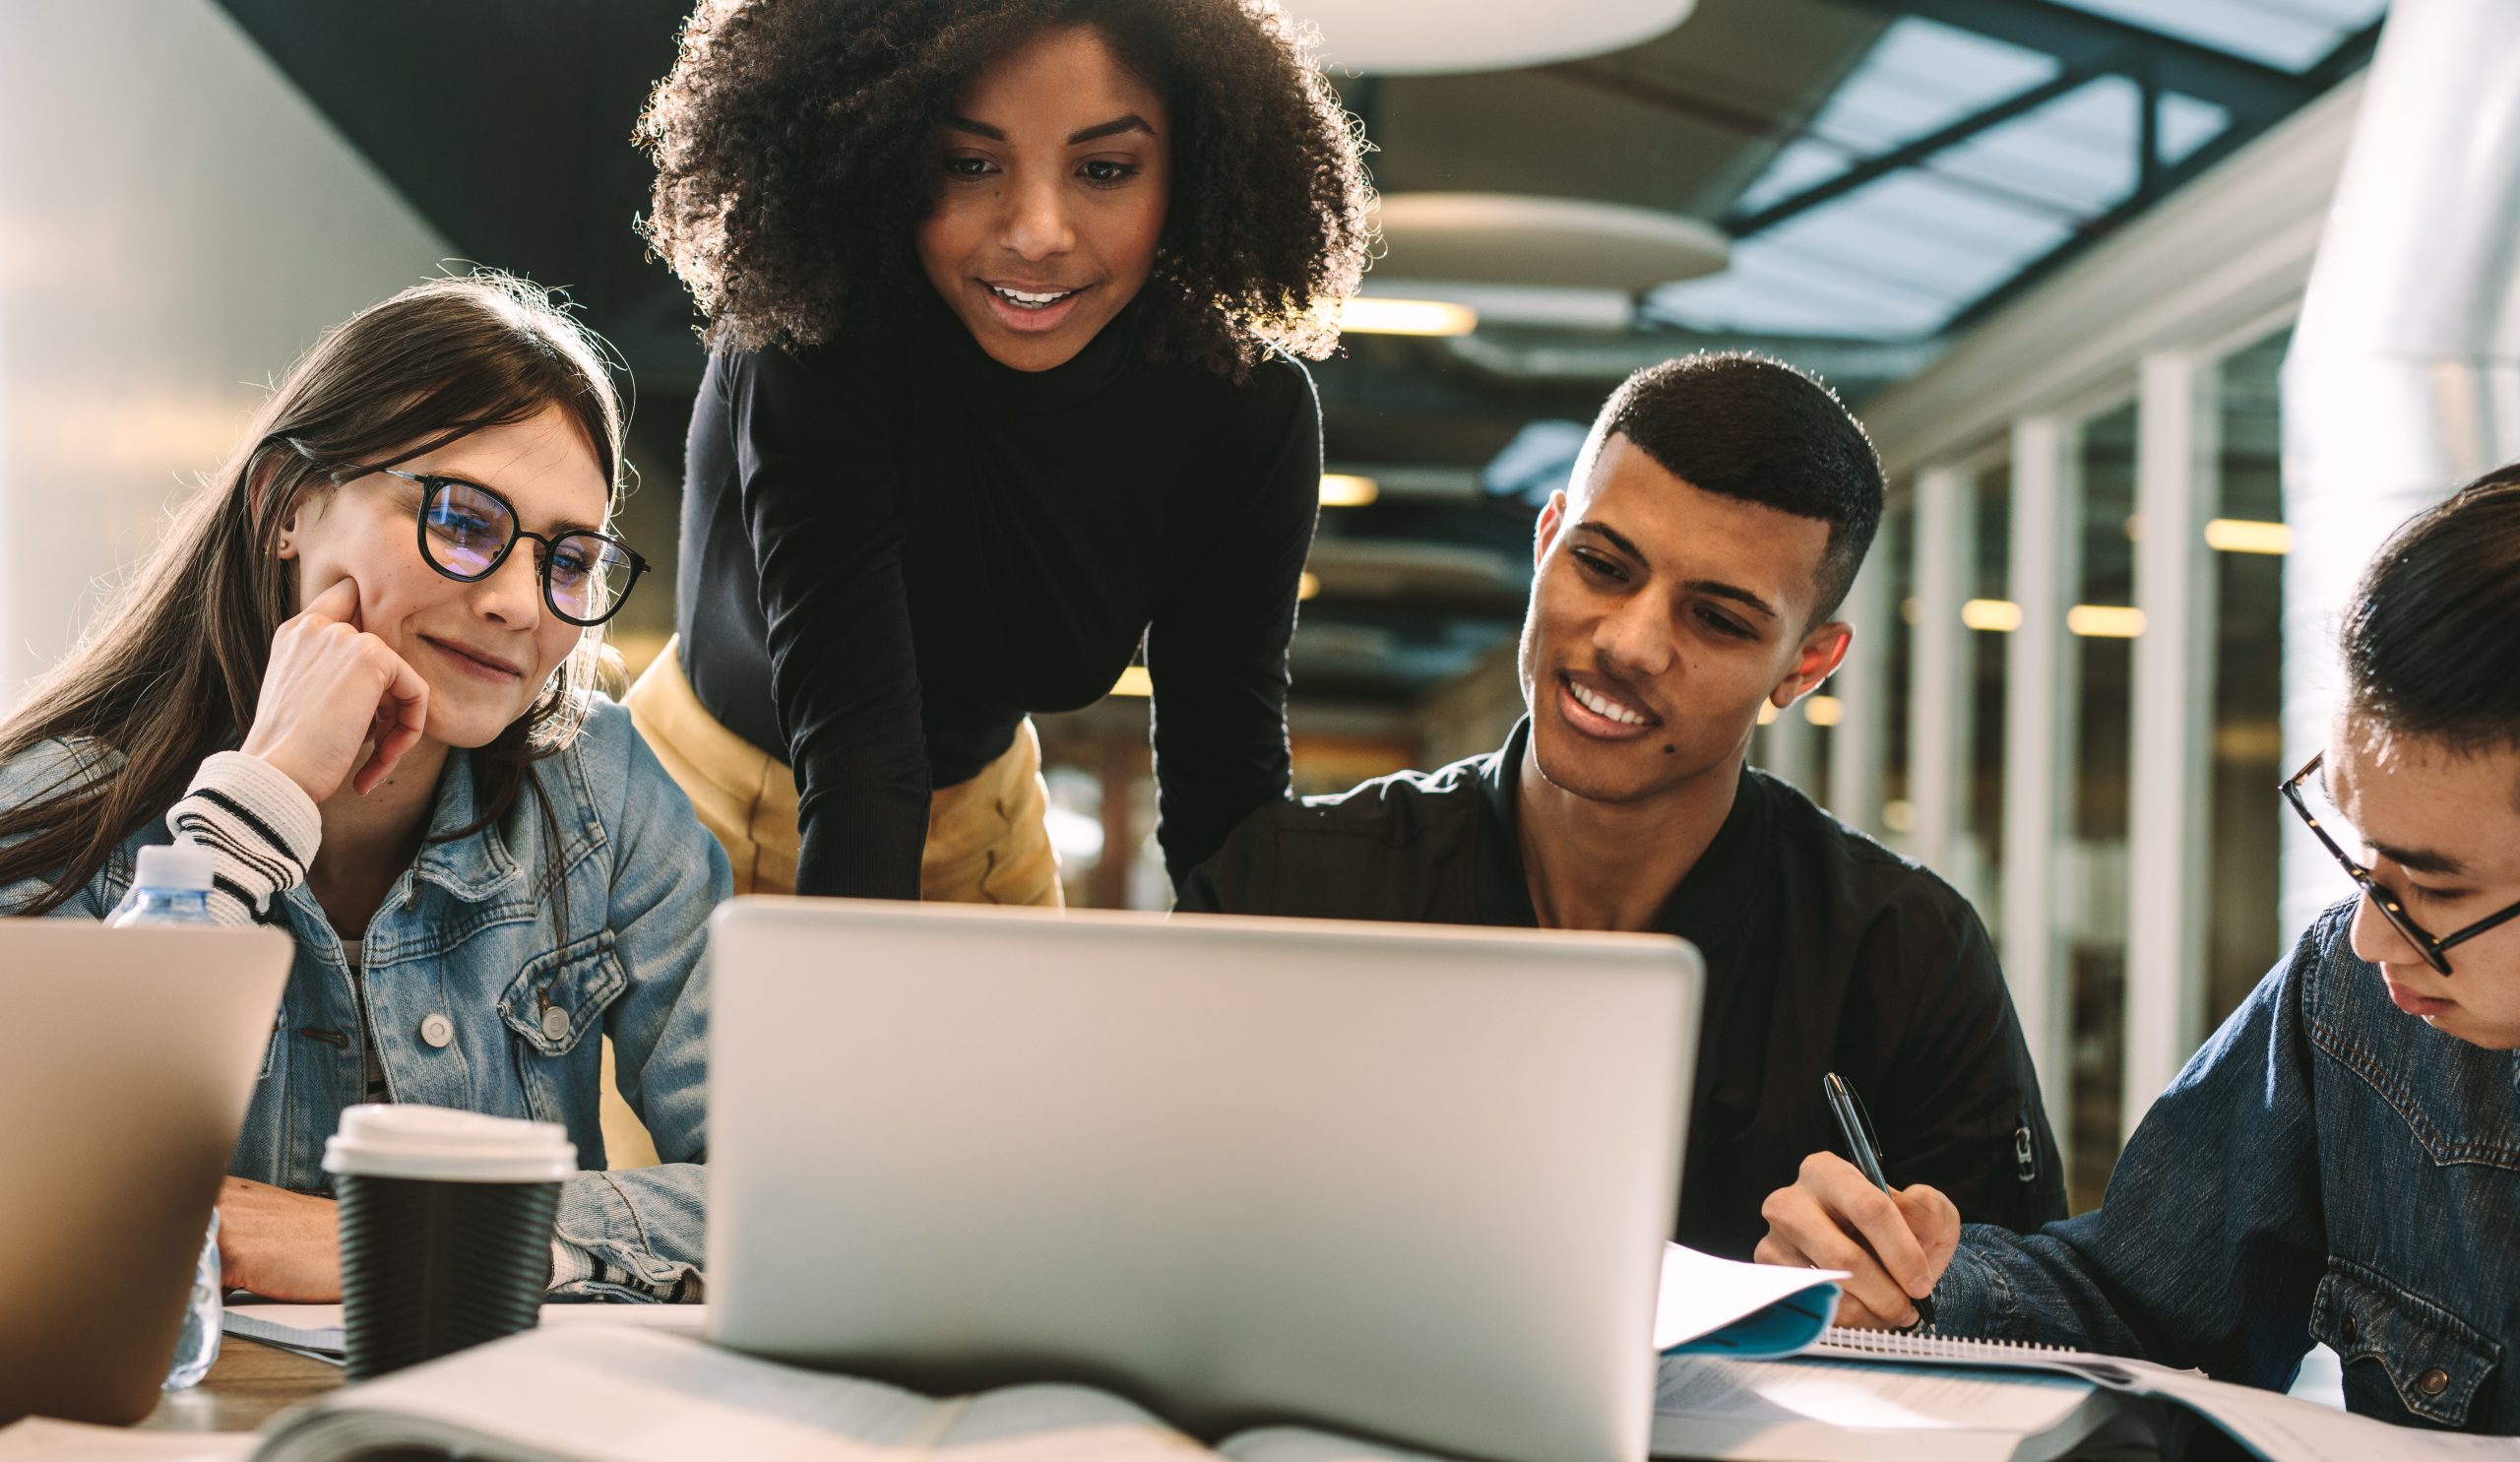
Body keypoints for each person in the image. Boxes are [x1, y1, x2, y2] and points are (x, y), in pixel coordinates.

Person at [1180, 354, 2066, 1260]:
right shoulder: (1289, 890)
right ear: (1546, 543)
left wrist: (1891, 1310)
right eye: (1602, 566)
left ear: (1804, 667)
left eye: (1718, 620)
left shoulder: (1905, 957)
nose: (1631, 644)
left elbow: (2029, 1319)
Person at [0, 276, 729, 1303]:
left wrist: (393, 1240)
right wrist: (262, 798)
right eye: (464, 520)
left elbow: (790, 1193)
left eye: (570, 559)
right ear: (287, 508)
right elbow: (48, 1200)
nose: (521, 603)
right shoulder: (55, 812)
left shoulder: (603, 794)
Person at [1755, 468, 2520, 1434]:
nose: (2370, 934)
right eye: (2357, 851)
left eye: (2437, 889)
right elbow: (2144, 1308)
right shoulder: (2354, 1001)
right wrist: (1909, 1286)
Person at [630, 0, 1373, 901]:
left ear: (1195, 171)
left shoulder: (1246, 417)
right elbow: (860, 755)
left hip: (983, 829)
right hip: (680, 817)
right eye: (970, 164)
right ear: (885, 154)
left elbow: (1225, 779)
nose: (1037, 231)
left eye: (1105, 169)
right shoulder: (815, 334)